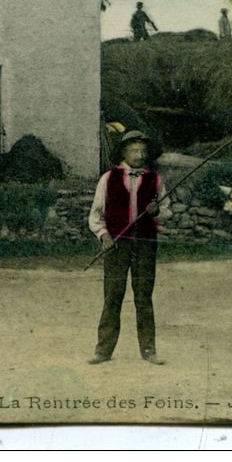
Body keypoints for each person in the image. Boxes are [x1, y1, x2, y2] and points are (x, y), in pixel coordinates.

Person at [87, 130, 169, 365]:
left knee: (144, 297)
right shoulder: (108, 178)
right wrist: (103, 236)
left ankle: (149, 350)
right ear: (123, 152)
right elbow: (95, 214)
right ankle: (103, 351)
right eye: (134, 150)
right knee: (113, 296)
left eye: (143, 151)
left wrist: (158, 210)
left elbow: (168, 210)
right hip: (116, 245)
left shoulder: (155, 179)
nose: (139, 155)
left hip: (145, 245)